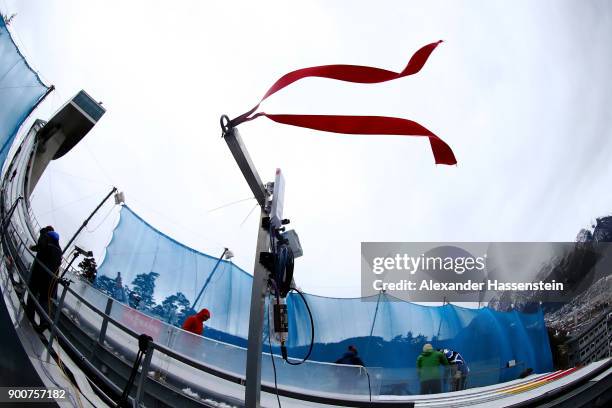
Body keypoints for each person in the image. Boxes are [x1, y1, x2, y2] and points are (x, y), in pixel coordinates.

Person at [25, 226, 63, 332]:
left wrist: (31, 246)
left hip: (39, 275)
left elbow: (37, 248)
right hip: (51, 280)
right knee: (44, 300)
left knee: (32, 293)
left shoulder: (46, 243)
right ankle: (44, 321)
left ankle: (30, 314)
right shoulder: (58, 250)